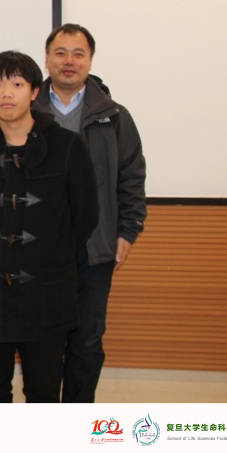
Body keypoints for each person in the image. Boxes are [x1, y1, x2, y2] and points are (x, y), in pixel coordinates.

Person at [0, 51, 99, 403]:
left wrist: (48, 256)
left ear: (34, 91)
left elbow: (85, 215)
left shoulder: (66, 146)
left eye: (17, 84)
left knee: (43, 390)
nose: (7, 93)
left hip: (48, 293)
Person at [32, 24, 147, 403]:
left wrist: (127, 232)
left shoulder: (113, 116)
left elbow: (131, 176)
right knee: (43, 338)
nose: (69, 61)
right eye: (60, 53)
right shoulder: (27, 111)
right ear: (46, 59)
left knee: (87, 340)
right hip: (38, 248)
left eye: (78, 54)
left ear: (90, 61)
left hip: (95, 248)